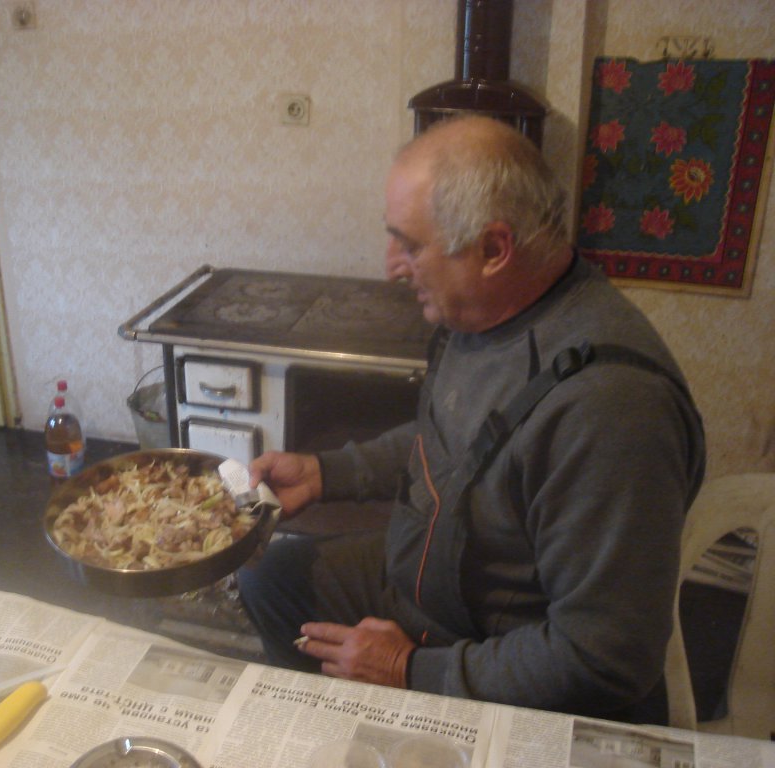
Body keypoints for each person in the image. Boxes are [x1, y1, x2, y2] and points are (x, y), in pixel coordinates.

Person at [237, 115, 706, 724]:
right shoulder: (487, 315)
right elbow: (457, 443)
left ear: (493, 250)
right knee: (272, 579)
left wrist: (409, 670)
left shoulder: (610, 408)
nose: (391, 266)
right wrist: (328, 472)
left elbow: (606, 658)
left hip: (497, 644)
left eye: (410, 244)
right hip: (429, 588)